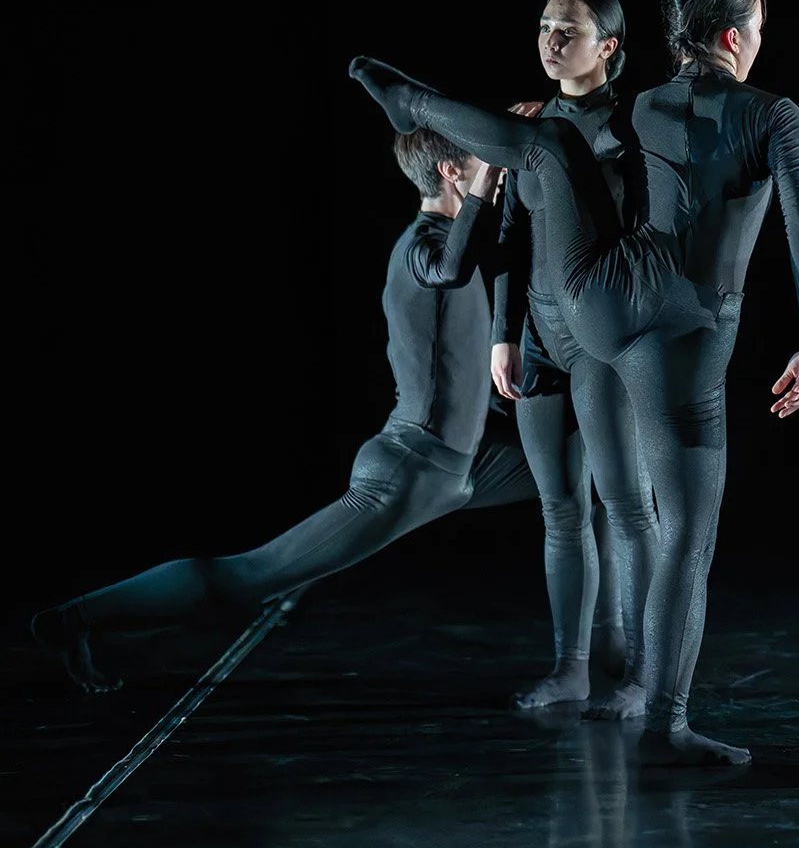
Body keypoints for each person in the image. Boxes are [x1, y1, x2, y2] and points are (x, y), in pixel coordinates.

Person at [349, 0, 799, 764]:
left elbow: (614, 191)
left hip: (600, 303)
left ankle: (413, 103)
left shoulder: (646, 104)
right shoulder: (775, 114)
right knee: (686, 532)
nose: (758, 42)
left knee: (544, 149)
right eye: (756, 30)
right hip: (688, 328)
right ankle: (666, 723)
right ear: (730, 35)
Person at [32, 131, 540, 692]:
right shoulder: (424, 245)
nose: (496, 173)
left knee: (588, 478)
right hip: (408, 473)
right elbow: (448, 266)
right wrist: (487, 176)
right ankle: (70, 619)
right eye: (481, 163)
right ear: (451, 173)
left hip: (470, 470)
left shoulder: (452, 238)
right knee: (250, 577)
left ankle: (608, 656)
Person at [421, 0, 657, 711]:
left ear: (608, 46)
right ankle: (571, 667)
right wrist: (503, 333)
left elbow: (654, 244)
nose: (552, 40)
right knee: (560, 508)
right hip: (539, 337)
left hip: (605, 342)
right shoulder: (526, 125)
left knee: (626, 505)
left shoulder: (631, 127)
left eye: (570, 29)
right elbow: (510, 238)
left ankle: (645, 674)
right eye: (546, 27)